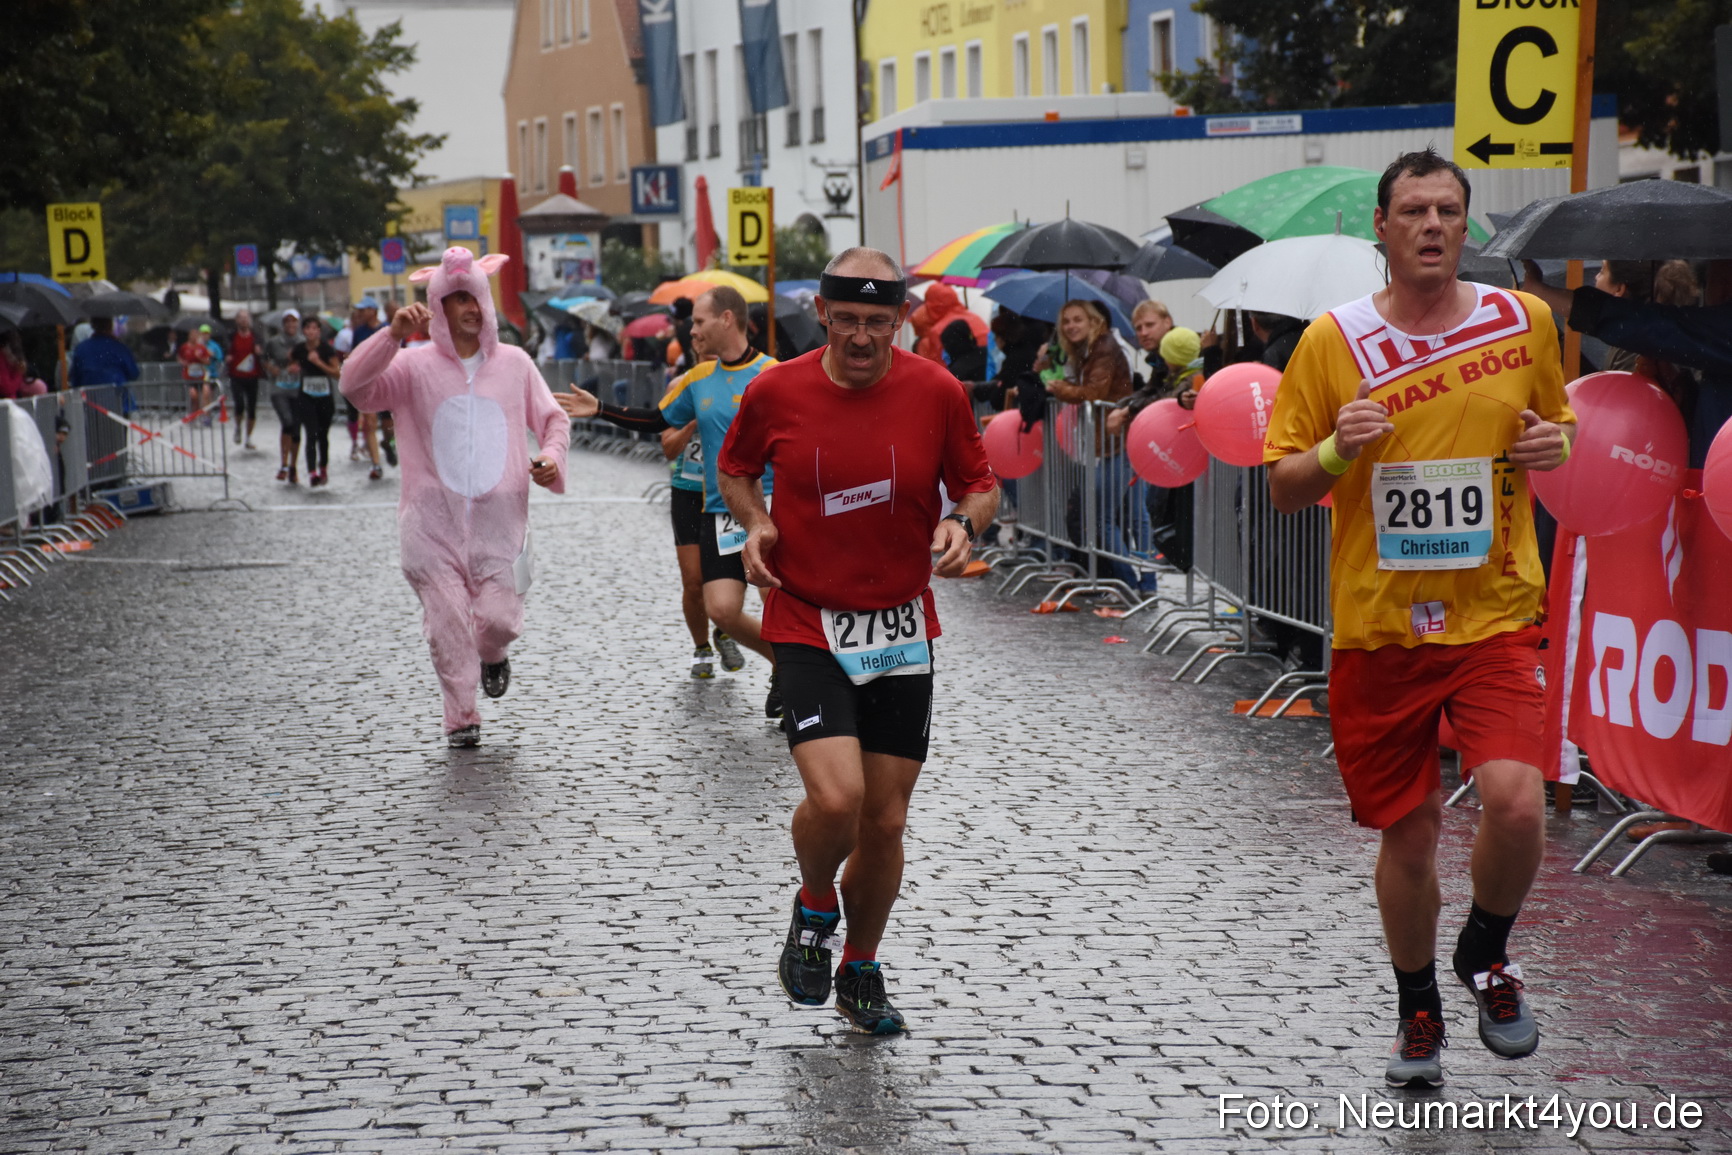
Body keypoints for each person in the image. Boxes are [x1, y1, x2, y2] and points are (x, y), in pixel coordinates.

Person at [1266, 148, 1576, 1089]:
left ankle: (1485, 950)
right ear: (1383, 227)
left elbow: (1556, 437)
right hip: (1380, 623)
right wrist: (1334, 448)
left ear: (1466, 225)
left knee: (1518, 801)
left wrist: (1546, 444)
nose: (1432, 225)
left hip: (1495, 614)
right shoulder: (1333, 340)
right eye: (1414, 210)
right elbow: (1282, 485)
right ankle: (1417, 1005)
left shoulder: (1525, 323)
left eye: (1448, 209)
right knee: (1409, 833)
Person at [715, 247, 1000, 1035]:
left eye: (881, 321)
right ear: (825, 317)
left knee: (884, 820)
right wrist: (757, 519)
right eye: (850, 321)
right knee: (837, 797)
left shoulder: (936, 391)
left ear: (902, 319)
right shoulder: (775, 390)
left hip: (900, 625)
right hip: (806, 616)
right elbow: (734, 469)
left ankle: (860, 965)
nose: (865, 337)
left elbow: (981, 485)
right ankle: (813, 907)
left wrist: (960, 521)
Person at [341, 247, 569, 747]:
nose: (467, 307)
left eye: (474, 297)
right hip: (429, 525)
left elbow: (553, 420)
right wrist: (391, 337)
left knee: (498, 621)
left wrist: (551, 457)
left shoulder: (514, 364)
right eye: (455, 298)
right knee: (446, 623)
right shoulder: (411, 368)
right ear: (438, 306)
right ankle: (461, 716)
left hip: (502, 526)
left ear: (486, 302)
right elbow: (355, 387)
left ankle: (492, 655)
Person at [557, 287, 779, 711]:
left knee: (777, 604)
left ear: (727, 319)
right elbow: (657, 419)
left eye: (699, 321)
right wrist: (601, 407)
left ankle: (796, 684)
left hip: (768, 509)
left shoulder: (772, 374)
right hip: (717, 513)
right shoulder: (696, 380)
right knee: (722, 610)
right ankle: (782, 660)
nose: (691, 330)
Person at [1039, 299, 1136, 589]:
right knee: (1116, 517)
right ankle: (1136, 584)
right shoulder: (1089, 350)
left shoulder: (1103, 347)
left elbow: (1094, 392)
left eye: (1077, 319)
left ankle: (1131, 584)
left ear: (1092, 321)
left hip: (1115, 441)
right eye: (1066, 321)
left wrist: (1061, 389)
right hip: (1107, 441)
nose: (1070, 326)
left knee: (1103, 519)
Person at [291, 316, 342, 487]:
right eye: (307, 328)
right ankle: (312, 473)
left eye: (314, 328)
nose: (311, 331)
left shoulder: (327, 349)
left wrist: (318, 363)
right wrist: (292, 369)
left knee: (322, 435)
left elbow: (337, 373)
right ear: (303, 331)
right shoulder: (299, 349)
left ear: (319, 331)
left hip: (325, 397)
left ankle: (323, 468)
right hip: (306, 396)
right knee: (310, 434)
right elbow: (289, 362)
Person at [265, 310, 304, 484]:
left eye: (293, 321)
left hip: (298, 389)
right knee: (287, 422)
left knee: (296, 429)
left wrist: (300, 366)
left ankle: (293, 466)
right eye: (287, 322)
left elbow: (309, 360)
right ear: (282, 325)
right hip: (279, 388)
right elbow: (264, 359)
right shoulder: (274, 342)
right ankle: (284, 464)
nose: (290, 325)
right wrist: (273, 369)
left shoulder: (303, 342)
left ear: (298, 324)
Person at [225, 310, 264, 450]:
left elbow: (263, 354)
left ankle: (248, 437)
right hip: (236, 376)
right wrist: (227, 358)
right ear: (236, 321)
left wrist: (260, 353)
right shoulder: (231, 337)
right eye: (240, 318)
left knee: (252, 408)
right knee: (239, 404)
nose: (243, 321)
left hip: (252, 376)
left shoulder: (256, 337)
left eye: (246, 318)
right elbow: (225, 351)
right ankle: (238, 427)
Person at [68, 316, 140, 392]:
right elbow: (134, 373)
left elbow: (75, 379)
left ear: (93, 326)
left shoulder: (81, 349)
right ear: (110, 326)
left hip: (91, 399)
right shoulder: (119, 348)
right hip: (118, 398)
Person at [178, 325, 215, 417]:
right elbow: (179, 357)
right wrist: (183, 362)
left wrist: (200, 358)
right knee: (194, 396)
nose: (194, 337)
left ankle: (206, 416)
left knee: (206, 393)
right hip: (189, 376)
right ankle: (193, 415)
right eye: (192, 335)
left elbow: (208, 362)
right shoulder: (185, 347)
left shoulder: (201, 348)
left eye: (196, 335)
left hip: (201, 376)